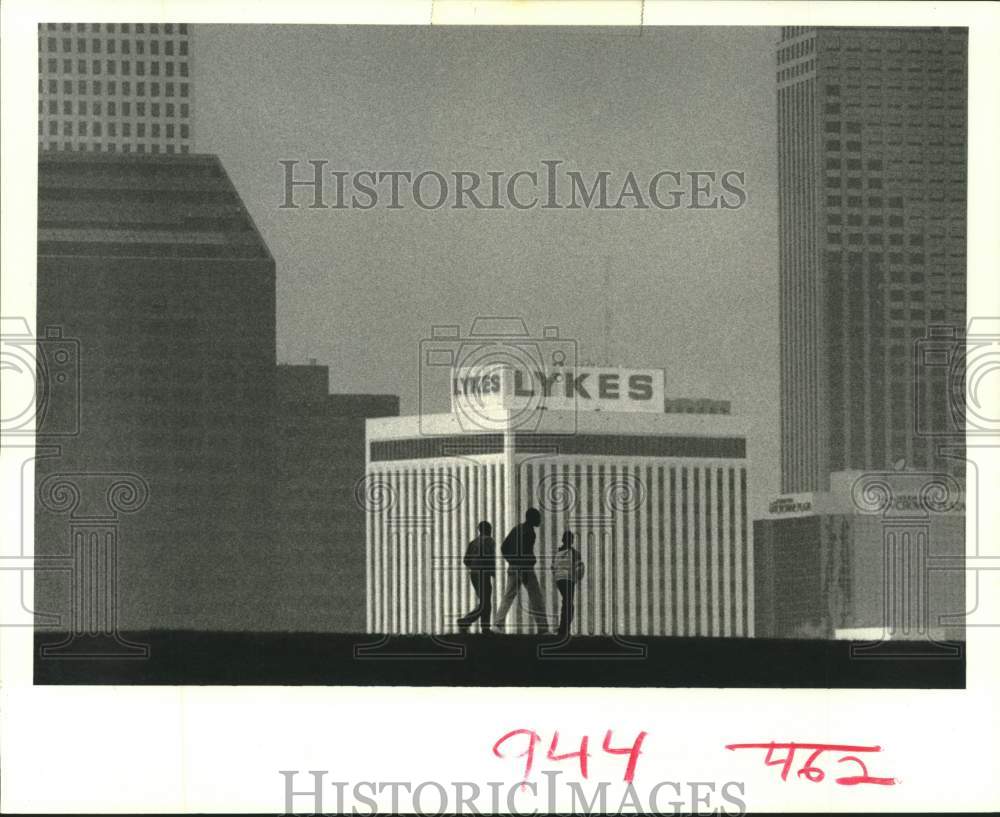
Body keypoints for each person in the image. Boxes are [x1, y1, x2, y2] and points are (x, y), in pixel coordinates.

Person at [495, 507, 548, 634]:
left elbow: (504, 547)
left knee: (508, 595)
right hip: (525, 568)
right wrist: (528, 563)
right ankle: (543, 628)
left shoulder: (517, 529)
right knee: (536, 597)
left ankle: (498, 625)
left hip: (513, 567)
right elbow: (525, 551)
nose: (540, 520)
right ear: (532, 519)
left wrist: (511, 561)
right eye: (538, 517)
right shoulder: (530, 532)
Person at [456, 521, 497, 634]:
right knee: (485, 603)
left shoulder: (473, 542)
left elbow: (466, 560)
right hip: (483, 573)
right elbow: (490, 557)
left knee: (484, 602)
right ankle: (466, 621)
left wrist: (474, 566)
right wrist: (493, 572)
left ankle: (484, 628)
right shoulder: (489, 540)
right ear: (488, 529)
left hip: (474, 574)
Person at [553, 530, 585, 637]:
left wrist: (557, 578)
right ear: (571, 541)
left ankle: (563, 629)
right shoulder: (575, 553)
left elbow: (553, 567)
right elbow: (579, 568)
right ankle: (564, 630)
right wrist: (577, 578)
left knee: (566, 603)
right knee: (569, 605)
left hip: (559, 580)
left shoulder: (557, 552)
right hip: (568, 580)